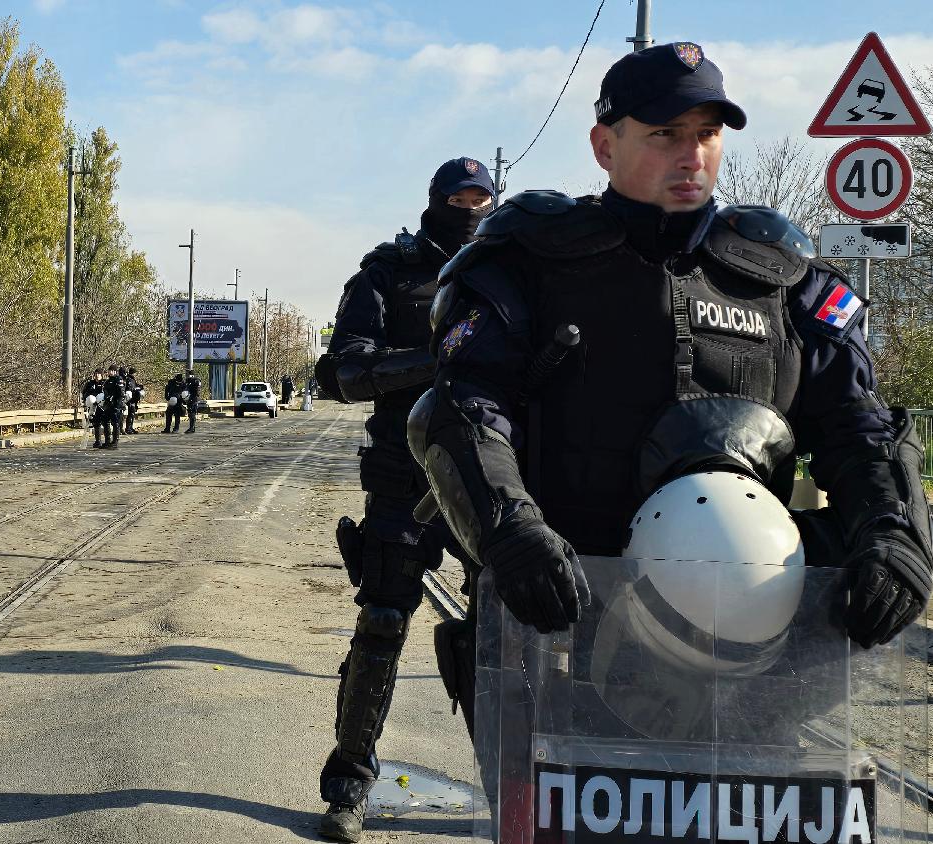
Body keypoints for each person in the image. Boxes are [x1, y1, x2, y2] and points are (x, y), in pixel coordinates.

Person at [410, 40, 931, 831]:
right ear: (604, 144)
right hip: (559, 638)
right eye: (663, 133)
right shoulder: (529, 264)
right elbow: (462, 409)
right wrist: (510, 532)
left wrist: (893, 533)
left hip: (755, 657)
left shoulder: (783, 279)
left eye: (707, 132)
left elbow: (860, 427)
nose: (692, 154)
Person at [312, 156, 494, 841]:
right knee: (383, 620)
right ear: (436, 199)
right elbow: (345, 373)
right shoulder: (387, 272)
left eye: (481, 196)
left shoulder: (513, 269)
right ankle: (349, 782)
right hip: (404, 472)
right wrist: (438, 362)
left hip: (490, 475)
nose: (470, 205)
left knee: (501, 636)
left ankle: (512, 791)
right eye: (460, 194)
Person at [101, 365, 126, 449]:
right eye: (109, 370)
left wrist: (118, 405)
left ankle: (115, 442)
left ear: (115, 371)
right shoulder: (107, 381)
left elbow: (121, 394)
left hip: (116, 405)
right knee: (105, 422)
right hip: (108, 405)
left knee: (115, 423)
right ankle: (107, 441)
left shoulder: (118, 380)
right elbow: (105, 392)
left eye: (111, 370)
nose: (109, 372)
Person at [82, 368, 107, 447]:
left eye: (99, 374)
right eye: (96, 374)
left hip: (102, 405)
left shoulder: (105, 383)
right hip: (92, 406)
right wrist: (88, 397)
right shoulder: (90, 383)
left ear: (102, 375)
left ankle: (107, 441)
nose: (97, 375)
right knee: (96, 423)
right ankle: (98, 441)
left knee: (105, 423)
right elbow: (84, 393)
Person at [124, 366, 144, 435]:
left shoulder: (132, 379)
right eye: (135, 373)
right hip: (131, 400)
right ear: (133, 373)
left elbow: (136, 386)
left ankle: (130, 427)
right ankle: (128, 428)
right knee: (131, 414)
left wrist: (140, 387)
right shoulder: (129, 380)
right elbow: (131, 389)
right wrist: (137, 388)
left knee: (132, 414)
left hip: (134, 399)